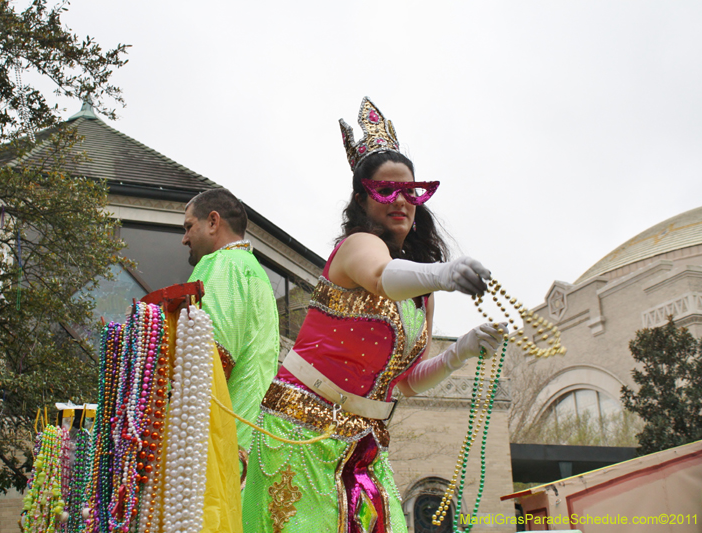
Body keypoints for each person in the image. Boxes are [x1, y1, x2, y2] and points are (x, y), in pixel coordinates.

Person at [242, 97, 506, 533]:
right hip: (301, 431)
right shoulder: (358, 247)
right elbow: (383, 276)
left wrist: (460, 351)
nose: (400, 201)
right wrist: (443, 273)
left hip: (365, 445)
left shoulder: (420, 294)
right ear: (362, 201)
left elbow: (405, 381)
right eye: (385, 191)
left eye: (411, 191)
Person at [182, 188, 280, 453]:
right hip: (252, 440)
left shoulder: (222, 263)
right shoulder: (256, 273)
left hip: (217, 447)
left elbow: (208, 358)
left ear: (213, 222)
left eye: (189, 227)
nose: (184, 239)